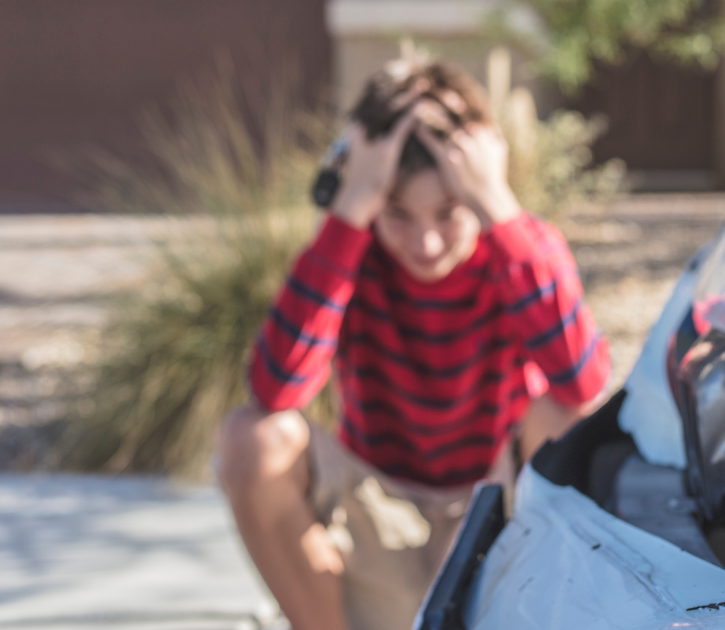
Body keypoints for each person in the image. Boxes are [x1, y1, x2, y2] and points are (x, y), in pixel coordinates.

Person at [216, 59, 610, 630]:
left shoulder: (519, 247)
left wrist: (498, 207)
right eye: (397, 213)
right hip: (373, 512)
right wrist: (351, 211)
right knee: (253, 437)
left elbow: (583, 382)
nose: (424, 243)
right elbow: (276, 388)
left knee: (567, 413)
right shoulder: (351, 250)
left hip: (489, 512)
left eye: (448, 214)